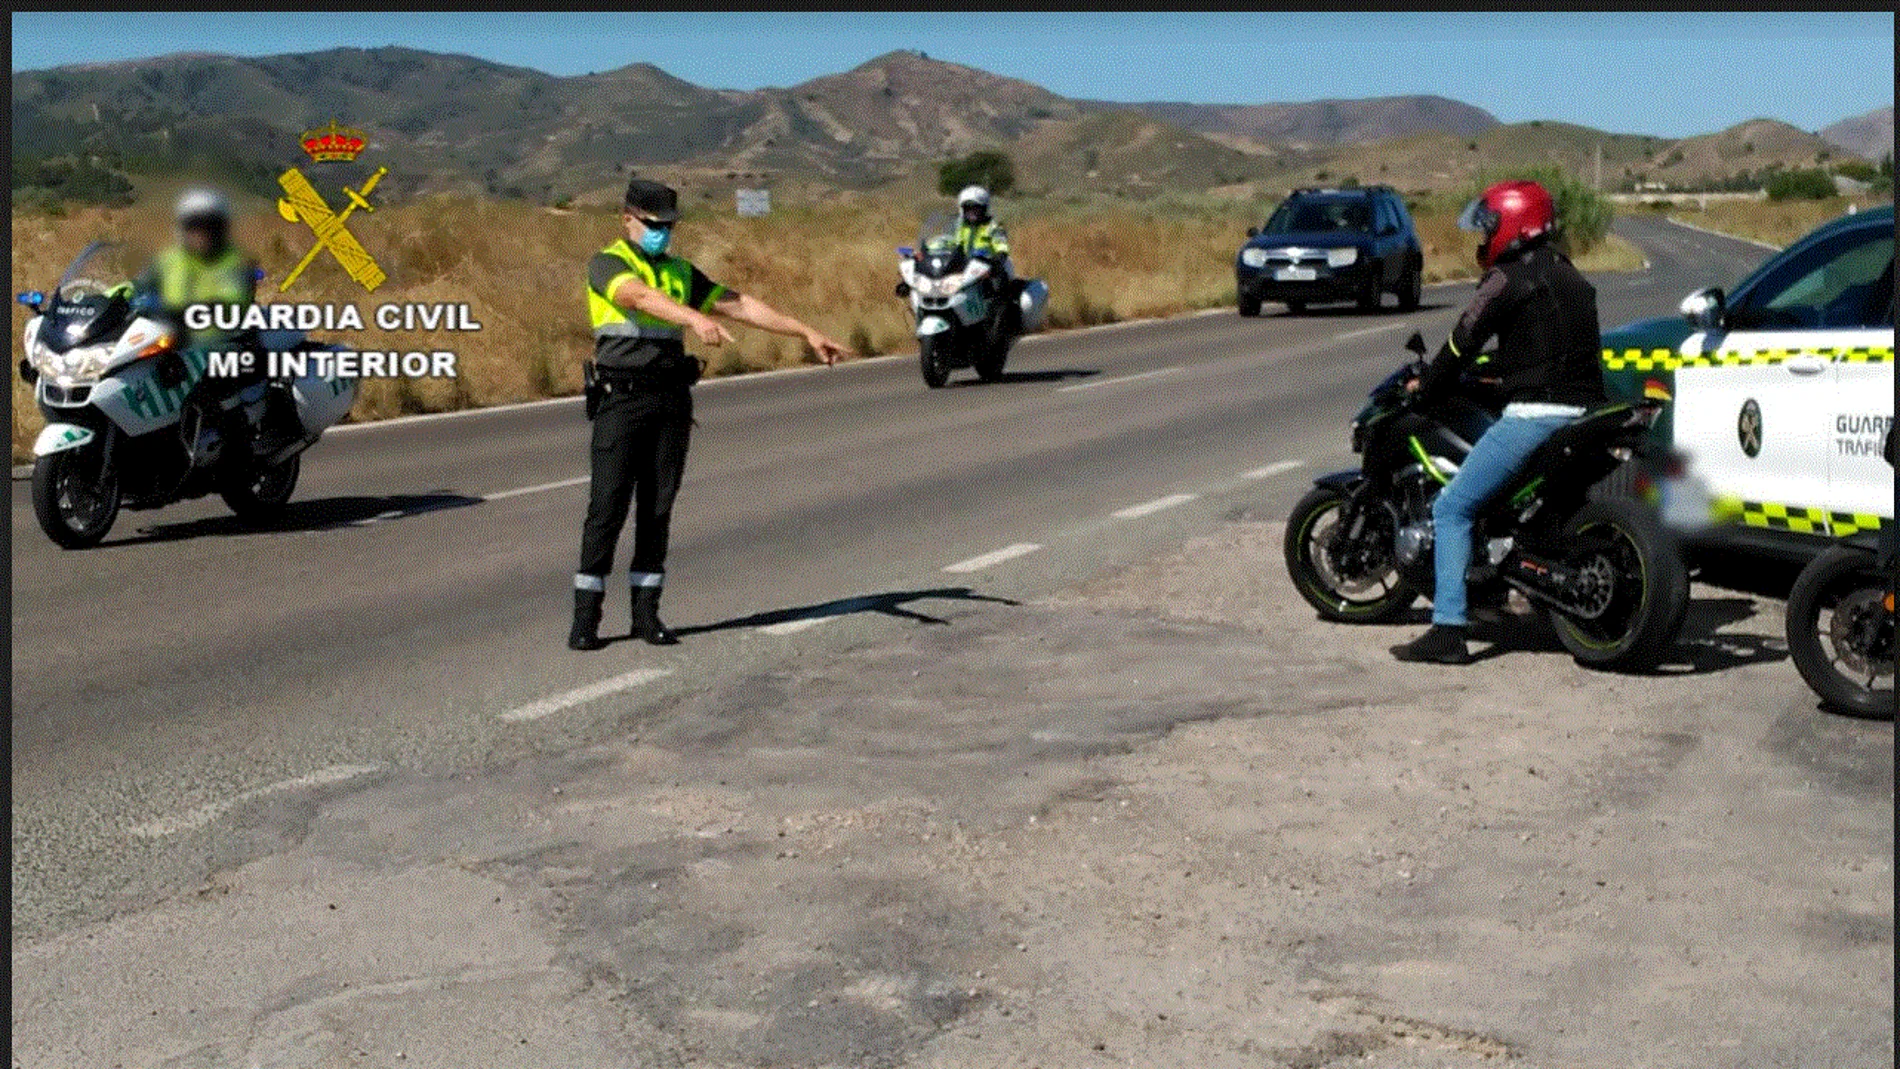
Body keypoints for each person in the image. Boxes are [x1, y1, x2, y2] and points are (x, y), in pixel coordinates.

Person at [570, 178, 849, 651]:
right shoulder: (609, 262)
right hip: (622, 400)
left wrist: (805, 331)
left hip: (671, 400)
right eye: (653, 225)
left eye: (669, 227)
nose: (662, 234)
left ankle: (646, 615)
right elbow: (635, 297)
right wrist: (693, 318)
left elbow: (738, 303)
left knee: (657, 509)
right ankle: (586, 618)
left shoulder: (680, 271)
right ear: (628, 219)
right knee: (607, 508)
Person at [1390, 179, 1606, 666]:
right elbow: (1547, 346)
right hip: (1585, 413)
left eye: (1488, 227)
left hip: (1535, 418)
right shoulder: (1571, 276)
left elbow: (1459, 342)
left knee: (1452, 508)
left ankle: (1447, 629)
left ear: (1512, 224)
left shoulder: (1505, 279)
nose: (1482, 238)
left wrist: (1428, 387)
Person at [134, 188, 287, 455]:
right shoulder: (169, 260)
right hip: (181, 338)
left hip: (231, 339)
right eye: (193, 226)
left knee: (215, 377)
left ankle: (239, 451)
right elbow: (136, 287)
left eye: (207, 226)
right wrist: (108, 300)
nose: (200, 233)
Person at [952, 185, 1018, 332]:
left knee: (996, 284)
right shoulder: (961, 227)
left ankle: (999, 324)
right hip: (969, 267)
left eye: (976, 208)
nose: (972, 212)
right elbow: (954, 246)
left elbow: (1001, 248)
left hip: (992, 265)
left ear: (984, 208)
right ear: (963, 210)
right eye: (968, 208)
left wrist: (996, 262)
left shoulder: (993, 226)